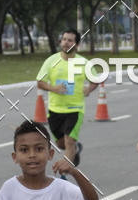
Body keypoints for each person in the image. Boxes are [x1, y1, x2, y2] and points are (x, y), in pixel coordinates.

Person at [36, 29, 98, 167]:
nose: (66, 42)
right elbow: (40, 82)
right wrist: (54, 88)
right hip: (54, 109)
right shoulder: (51, 61)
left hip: (75, 109)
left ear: (76, 45)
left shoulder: (84, 63)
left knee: (69, 141)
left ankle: (66, 171)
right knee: (61, 143)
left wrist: (89, 89)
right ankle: (74, 150)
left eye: (70, 40)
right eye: (64, 39)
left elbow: (95, 80)